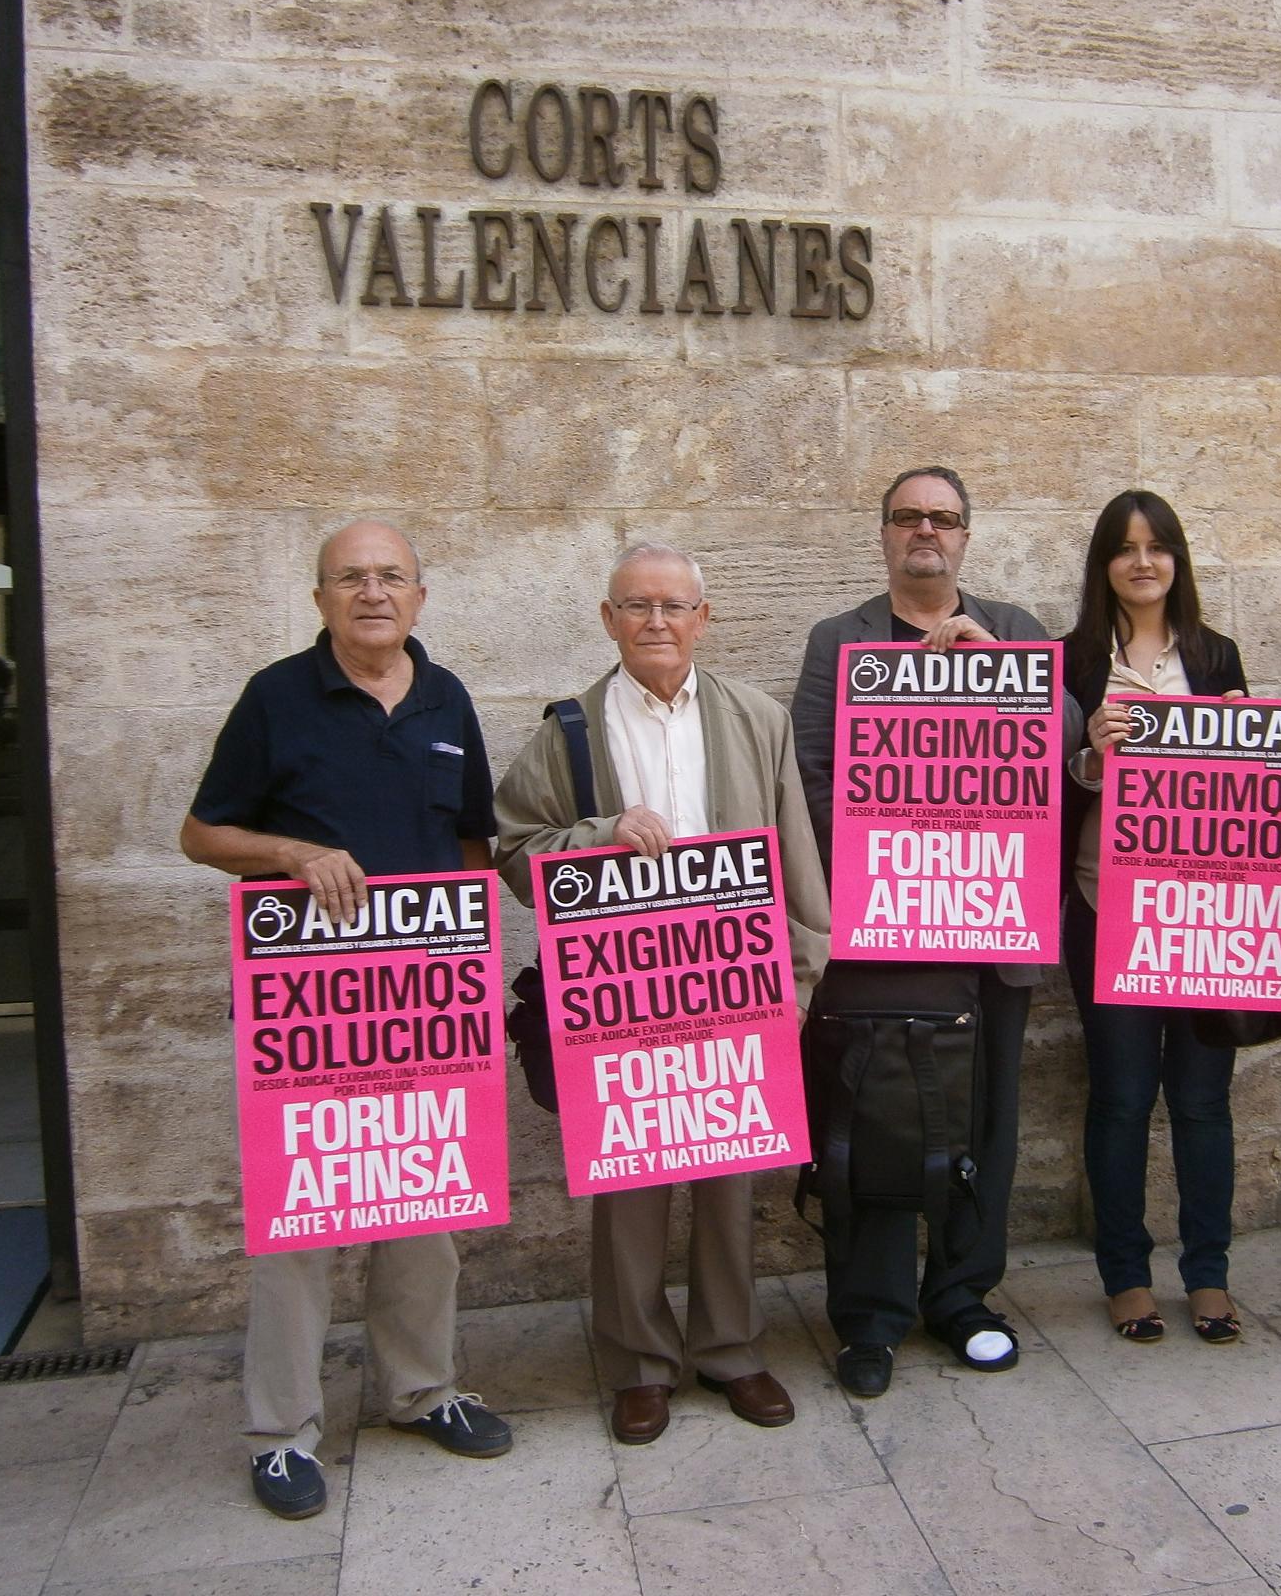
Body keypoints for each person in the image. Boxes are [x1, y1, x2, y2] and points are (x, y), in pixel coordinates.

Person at [180, 520, 509, 1519]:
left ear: (420, 595)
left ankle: (421, 1389)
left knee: (425, 1206)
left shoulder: (447, 698)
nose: (372, 593)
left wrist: (466, 968)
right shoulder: (275, 697)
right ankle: (280, 1434)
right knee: (300, 1221)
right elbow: (201, 833)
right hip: (307, 1010)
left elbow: (472, 844)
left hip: (423, 999)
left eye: (390, 577)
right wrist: (290, 854)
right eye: (350, 577)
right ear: (319, 597)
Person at [493, 543, 831, 1446]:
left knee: (730, 1181)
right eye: (636, 606)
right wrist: (598, 834)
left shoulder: (756, 718)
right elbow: (515, 851)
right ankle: (638, 1365)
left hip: (736, 991)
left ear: (702, 620)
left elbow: (797, 859)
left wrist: (799, 985)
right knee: (630, 1188)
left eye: (674, 606)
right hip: (621, 1001)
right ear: (608, 620)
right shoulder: (571, 729)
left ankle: (731, 1349)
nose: (656, 621)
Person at [791, 465, 1062, 1397]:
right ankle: (870, 1316)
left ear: (965, 537)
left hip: (992, 934)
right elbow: (813, 775)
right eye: (908, 516)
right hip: (885, 931)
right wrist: (891, 870)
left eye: (943, 518)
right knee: (874, 1120)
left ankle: (962, 1298)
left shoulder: (1015, 626)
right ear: (885, 534)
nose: (925, 530)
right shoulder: (841, 640)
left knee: (983, 1120)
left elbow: (1067, 740)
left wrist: (999, 665)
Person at [1061, 492, 1248, 1346]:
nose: (1143, 562)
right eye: (1125, 548)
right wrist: (1088, 756)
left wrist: (1247, 743)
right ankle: (1126, 1276)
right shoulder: (1072, 661)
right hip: (1106, 908)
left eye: (1158, 546)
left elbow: (1255, 796)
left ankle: (1208, 1273)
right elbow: (1036, 789)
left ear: (1177, 559)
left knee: (1204, 1101)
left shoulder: (1214, 655)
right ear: (1104, 564)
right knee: (1123, 1097)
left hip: (1206, 917)